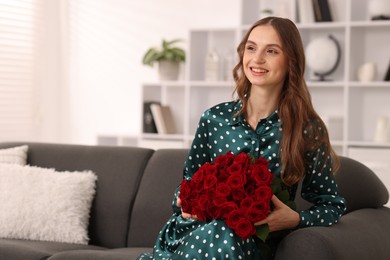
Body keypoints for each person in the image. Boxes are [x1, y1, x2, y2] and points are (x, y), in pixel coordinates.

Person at [138, 16, 346, 260]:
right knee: (220, 232)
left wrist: (296, 219)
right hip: (196, 233)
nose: (257, 59)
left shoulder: (307, 129)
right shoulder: (214, 119)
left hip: (253, 243)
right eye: (251, 48)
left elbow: (332, 205)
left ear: (291, 60)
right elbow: (185, 187)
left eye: (271, 51)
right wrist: (184, 202)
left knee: (226, 234)